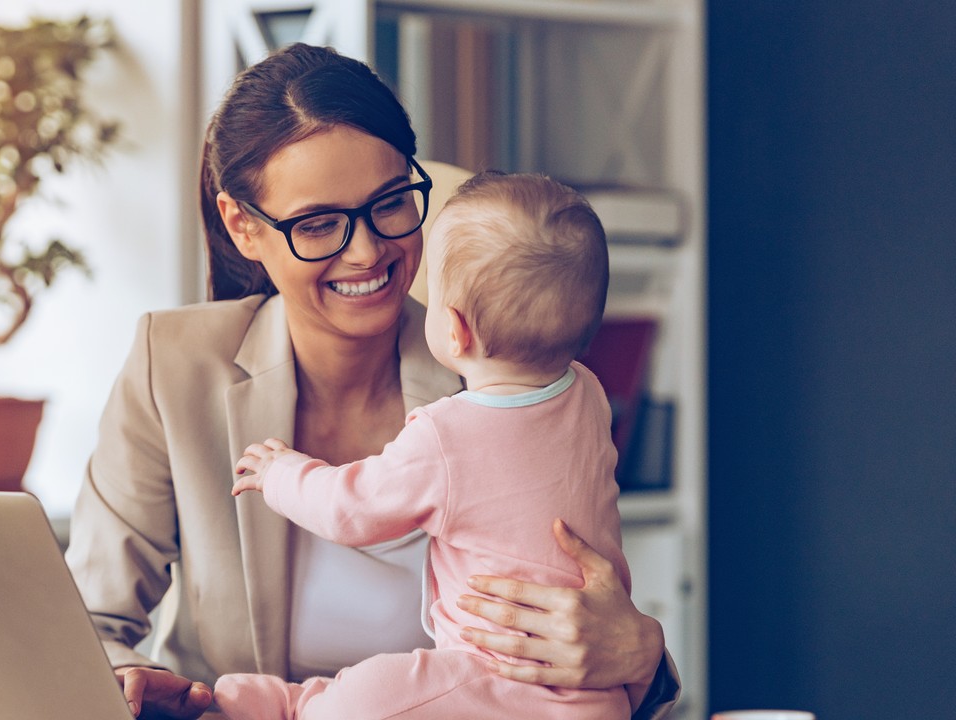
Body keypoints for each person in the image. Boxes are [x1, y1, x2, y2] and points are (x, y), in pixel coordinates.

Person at [63, 42, 678, 720]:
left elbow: (588, 624)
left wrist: (641, 652)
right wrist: (133, 684)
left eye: (389, 204)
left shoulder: (506, 375)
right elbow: (87, 623)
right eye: (319, 224)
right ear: (243, 226)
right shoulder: (172, 365)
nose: (368, 251)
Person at [214, 171, 630, 720]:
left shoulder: (446, 435)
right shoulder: (589, 396)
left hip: (494, 677)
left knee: (374, 692)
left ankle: (297, 709)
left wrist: (282, 472)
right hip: (600, 694)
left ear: (454, 331)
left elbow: (350, 509)